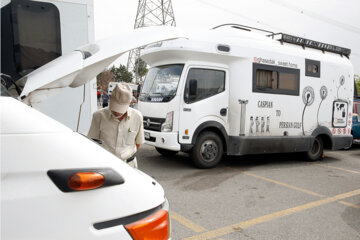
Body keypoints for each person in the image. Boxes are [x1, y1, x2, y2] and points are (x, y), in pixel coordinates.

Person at [88, 83, 145, 168]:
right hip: (105, 165)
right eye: (115, 107)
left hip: (129, 166)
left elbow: (138, 143)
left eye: (121, 108)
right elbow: (92, 142)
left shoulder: (137, 117)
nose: (117, 112)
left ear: (129, 103)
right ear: (110, 98)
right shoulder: (99, 116)